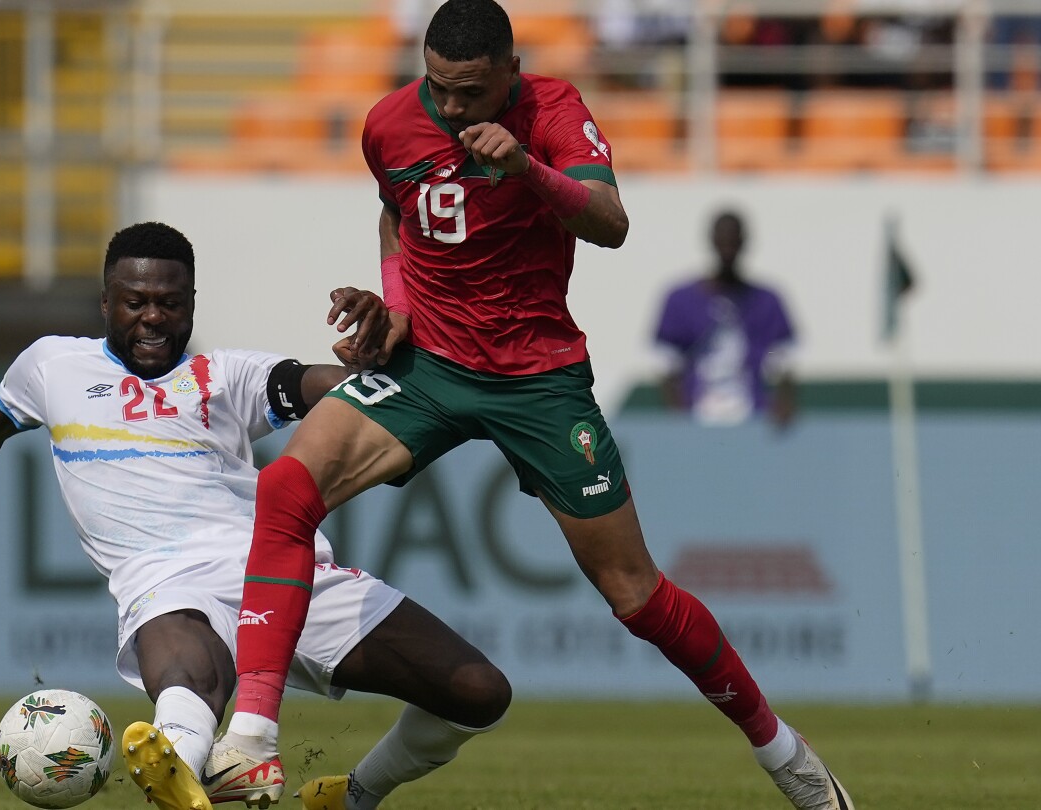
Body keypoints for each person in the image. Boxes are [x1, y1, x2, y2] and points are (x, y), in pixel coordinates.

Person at [215, 3, 854, 809]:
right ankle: (251, 745)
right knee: (285, 488)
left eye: (471, 94)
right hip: (433, 367)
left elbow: (612, 224)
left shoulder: (554, 110)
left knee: (636, 595)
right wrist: (398, 304)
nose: (451, 109)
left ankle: (785, 755)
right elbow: (396, 212)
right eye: (439, 89)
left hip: (538, 379)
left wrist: (525, 168)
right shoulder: (387, 123)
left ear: (510, 72)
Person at [0, 222, 510, 810]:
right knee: (189, 675)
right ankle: (182, 780)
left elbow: (324, 385)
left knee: (479, 693)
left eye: (171, 302)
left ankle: (351, 797)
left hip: (280, 570)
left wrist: (372, 361)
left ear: (192, 301)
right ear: (105, 303)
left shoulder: (226, 375)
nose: (153, 317)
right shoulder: (51, 368)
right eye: (136, 302)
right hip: (165, 580)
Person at [654, 209, 798, 428]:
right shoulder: (680, 300)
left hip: (754, 417)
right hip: (698, 416)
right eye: (723, 242)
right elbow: (667, 368)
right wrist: (681, 420)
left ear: (744, 243)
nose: (728, 251)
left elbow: (784, 365)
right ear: (712, 241)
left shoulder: (767, 301)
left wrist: (782, 405)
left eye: (733, 242)